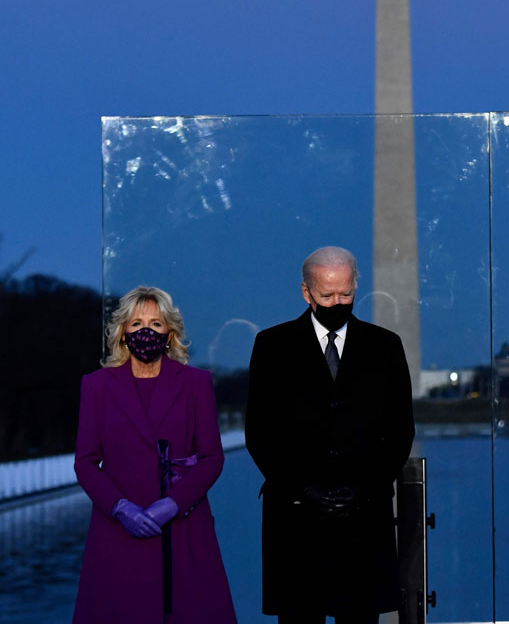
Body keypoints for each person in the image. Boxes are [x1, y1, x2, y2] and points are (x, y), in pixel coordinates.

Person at [245, 246, 415, 624]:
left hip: (363, 520)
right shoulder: (272, 346)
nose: (337, 302)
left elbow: (401, 430)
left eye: (346, 294)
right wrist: (303, 488)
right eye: (326, 295)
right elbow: (259, 432)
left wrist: (366, 487)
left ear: (356, 286)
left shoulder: (385, 346)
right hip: (295, 521)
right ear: (306, 293)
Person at [73, 286, 236, 624]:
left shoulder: (196, 383)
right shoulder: (96, 386)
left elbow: (212, 457)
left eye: (155, 323)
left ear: (169, 331)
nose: (145, 331)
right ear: (122, 332)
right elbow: (85, 462)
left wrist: (172, 504)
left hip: (183, 527)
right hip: (118, 528)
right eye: (136, 324)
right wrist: (121, 508)